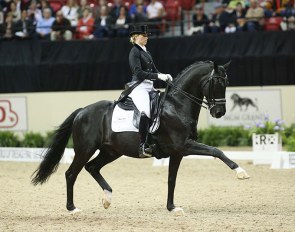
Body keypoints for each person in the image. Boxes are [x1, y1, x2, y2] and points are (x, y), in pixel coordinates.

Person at [127, 24, 172, 157]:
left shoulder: (146, 51)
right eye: (143, 36)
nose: (146, 38)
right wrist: (158, 76)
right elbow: (138, 72)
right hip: (139, 87)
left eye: (147, 36)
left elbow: (154, 71)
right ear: (135, 37)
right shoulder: (134, 51)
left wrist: (164, 76)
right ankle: (143, 145)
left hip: (149, 86)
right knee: (145, 111)